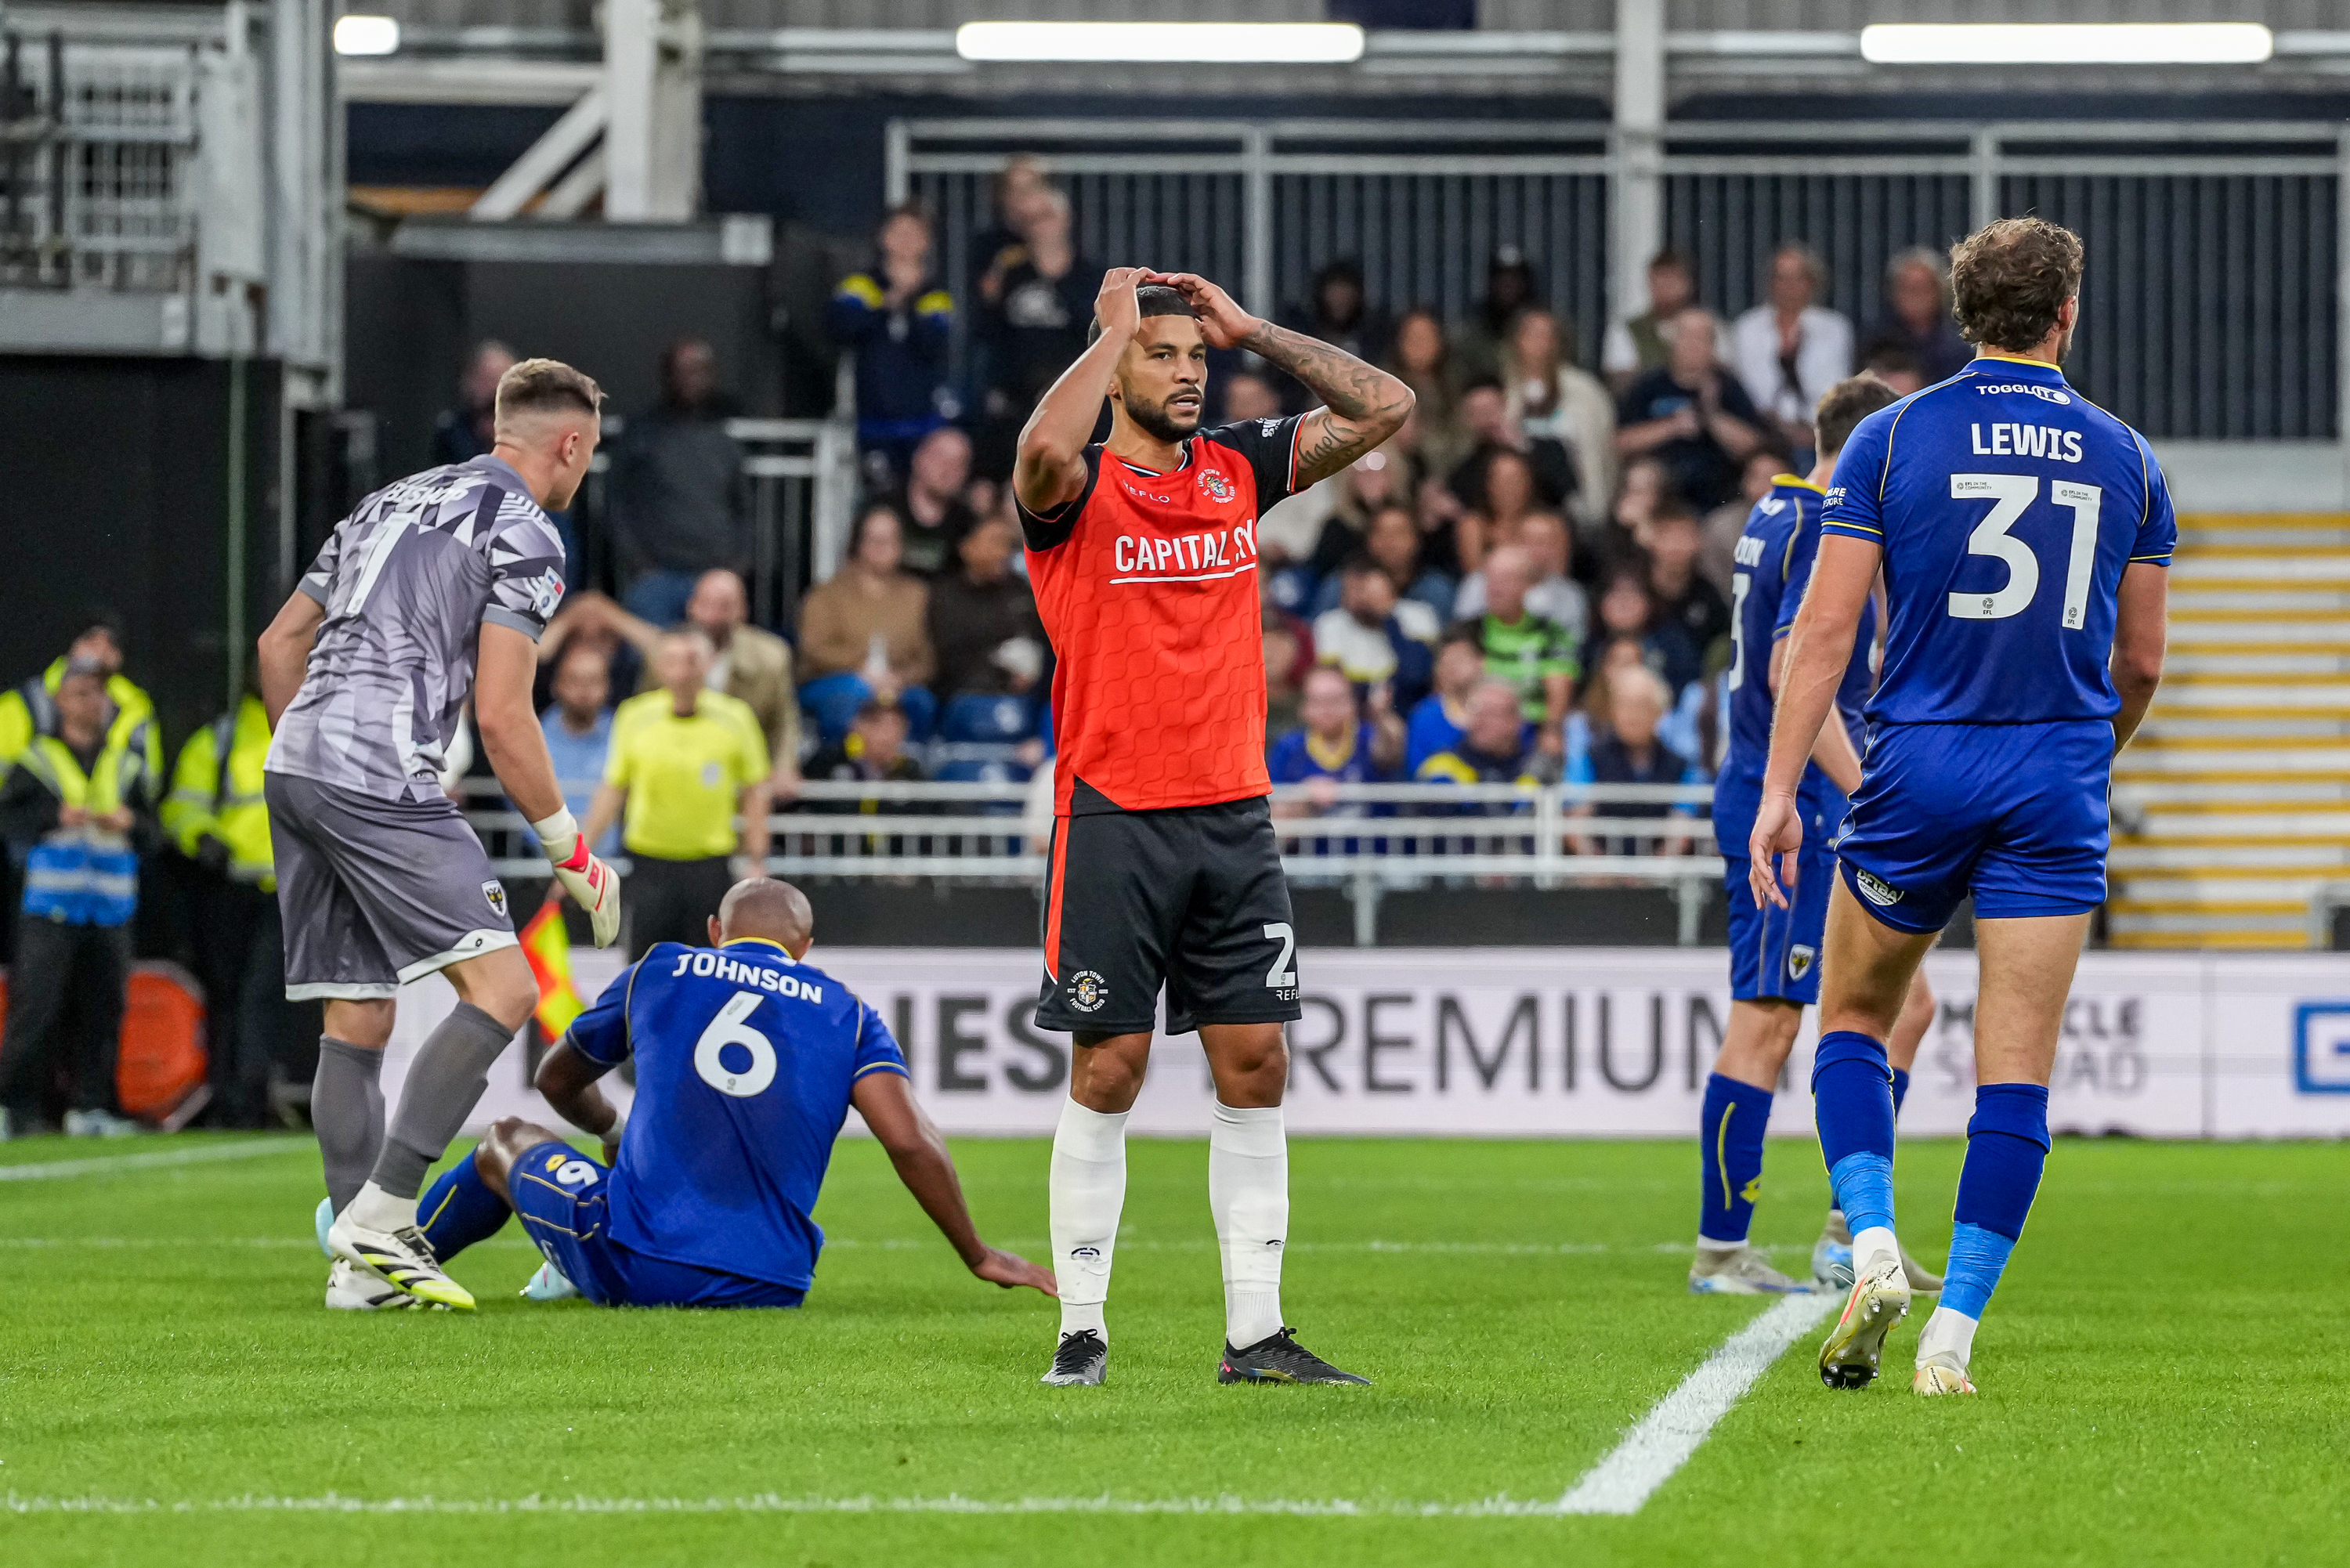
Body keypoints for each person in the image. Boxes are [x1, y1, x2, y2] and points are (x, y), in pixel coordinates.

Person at [1754, 217, 2173, 1396]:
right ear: (2067, 315)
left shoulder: (1889, 439)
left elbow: (1826, 632)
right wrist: (2090, 762)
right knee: (2016, 1071)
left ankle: (1875, 1245)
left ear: (1958, 311)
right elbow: (2141, 664)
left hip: (1920, 766)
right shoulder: (2131, 458)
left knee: (1851, 1015)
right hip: (2054, 775)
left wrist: (1782, 792)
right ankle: (1957, 1333)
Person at [1013, 266, 1411, 1387]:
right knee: (1110, 1071)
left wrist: (1255, 330)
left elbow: (1386, 407)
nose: (1189, 374)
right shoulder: (1075, 487)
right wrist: (1107, 332)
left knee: (1257, 1062)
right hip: (1114, 815)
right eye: (1164, 355)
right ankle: (1081, 1328)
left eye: (1197, 357)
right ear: (1116, 367)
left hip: (1234, 814)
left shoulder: (1238, 467)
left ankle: (1255, 1335)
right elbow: (1040, 449)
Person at [256, 356, 621, 1313]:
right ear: (569, 444)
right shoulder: (528, 532)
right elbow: (503, 716)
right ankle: (383, 1215)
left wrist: (313, 761)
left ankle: (356, 1273)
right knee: (503, 990)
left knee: (357, 1011)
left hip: (294, 764)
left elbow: (276, 645)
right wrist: (571, 853)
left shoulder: (387, 500)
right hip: (380, 773)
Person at [412, 877, 1055, 1310]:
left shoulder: (661, 969)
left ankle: (390, 1257)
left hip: (645, 1263)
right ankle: (569, 1259)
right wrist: (979, 1253)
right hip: (775, 1281)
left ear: (716, 929)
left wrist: (610, 1131)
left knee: (503, 1140)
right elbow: (911, 1142)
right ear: (805, 949)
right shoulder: (849, 1012)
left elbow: (557, 1078)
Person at [1698, 374, 1942, 1297]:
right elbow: (1787, 662)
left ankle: (1850, 1233)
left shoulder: (1775, 511)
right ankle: (1722, 1251)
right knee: (1767, 1019)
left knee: (1906, 1009)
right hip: (1789, 807)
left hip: (1804, 801)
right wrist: (1869, 786)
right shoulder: (1820, 524)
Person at [0, 658, 157, 1140]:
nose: (95, 703)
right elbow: (9, 826)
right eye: (84, 693)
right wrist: (53, 817)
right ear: (60, 701)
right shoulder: (34, 760)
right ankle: (12, 1106)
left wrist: (132, 824)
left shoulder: (126, 763)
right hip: (51, 905)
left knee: (104, 1009)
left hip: (109, 908)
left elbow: (156, 834)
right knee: (37, 1007)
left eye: (101, 695)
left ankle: (91, 1107)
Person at [164, 674, 319, 1129]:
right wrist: (202, 837)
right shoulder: (222, 739)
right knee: (228, 996)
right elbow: (180, 806)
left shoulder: (311, 732)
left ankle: (249, 1097)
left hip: (286, 889)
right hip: (227, 887)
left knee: (260, 995)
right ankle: (226, 1096)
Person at [584, 626, 772, 956]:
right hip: (649, 863)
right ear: (659, 666)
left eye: (692, 659)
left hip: (710, 864)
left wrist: (756, 859)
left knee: (710, 966)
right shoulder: (634, 716)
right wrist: (580, 856)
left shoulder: (736, 717)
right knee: (648, 966)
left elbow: (755, 790)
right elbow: (613, 788)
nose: (683, 670)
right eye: (673, 659)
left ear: (709, 663)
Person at [606, 338, 749, 630]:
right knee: (648, 663)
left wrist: (737, 566)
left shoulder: (724, 438)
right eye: (683, 370)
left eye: (699, 370)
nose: (691, 379)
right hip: (657, 576)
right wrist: (638, 563)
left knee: (716, 667)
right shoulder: (641, 433)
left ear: (712, 375)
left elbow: (743, 506)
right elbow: (615, 502)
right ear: (667, 376)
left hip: (715, 575)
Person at [829, 202, 956, 485]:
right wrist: (888, 302)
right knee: (879, 494)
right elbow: (841, 328)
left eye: (915, 233)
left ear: (926, 242)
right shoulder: (860, 286)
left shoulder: (935, 295)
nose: (905, 240)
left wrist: (909, 303)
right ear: (882, 237)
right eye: (898, 231)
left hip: (922, 425)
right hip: (873, 422)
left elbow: (932, 344)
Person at [977, 187, 1094, 479]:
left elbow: (1093, 332)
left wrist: (1054, 278)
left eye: (1046, 216)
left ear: (1066, 220)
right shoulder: (1010, 276)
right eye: (1030, 220)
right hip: (1019, 406)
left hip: (1078, 407)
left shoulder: (1089, 276)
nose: (1039, 226)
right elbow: (993, 338)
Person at [796, 505, 936, 744]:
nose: (883, 548)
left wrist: (899, 679)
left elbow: (927, 659)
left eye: (890, 540)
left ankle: (906, 769)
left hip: (898, 684)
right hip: (836, 682)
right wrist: (861, 670)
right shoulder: (826, 594)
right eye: (876, 540)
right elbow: (815, 650)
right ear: (858, 543)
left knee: (921, 702)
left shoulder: (917, 595)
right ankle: (845, 764)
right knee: (853, 693)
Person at [1617, 305, 1766, 511]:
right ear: (1671, 342)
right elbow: (1623, 442)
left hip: (1720, 492)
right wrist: (1672, 427)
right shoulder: (1648, 386)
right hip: (1662, 489)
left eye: (1701, 338)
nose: (1693, 345)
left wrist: (1713, 416)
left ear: (1713, 345)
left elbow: (1752, 446)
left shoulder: (1728, 386)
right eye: (1685, 337)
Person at [1729, 243, 1855, 460]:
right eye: (1781, 278)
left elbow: (1834, 388)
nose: (1789, 286)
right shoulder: (1747, 328)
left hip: (1817, 435)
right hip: (1759, 436)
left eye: (1798, 278)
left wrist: (1807, 430)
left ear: (1812, 283)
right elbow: (1746, 388)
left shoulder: (1834, 328)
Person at [0, 611, 161, 777]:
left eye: (111, 644)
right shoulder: (25, 704)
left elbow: (148, 785)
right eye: (91, 640)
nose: (100, 652)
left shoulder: (135, 709)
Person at [1567, 663, 1701, 857]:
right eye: (1624, 705)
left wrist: (1653, 873)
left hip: (1659, 877)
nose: (1632, 715)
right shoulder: (1589, 757)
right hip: (1600, 875)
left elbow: (1682, 825)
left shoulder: (1679, 764)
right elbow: (1576, 824)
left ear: (1659, 711)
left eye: (1641, 706)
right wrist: (1601, 868)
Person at [1267, 666, 1402, 854]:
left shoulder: (1369, 737)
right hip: (1307, 865)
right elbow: (1274, 812)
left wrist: (1381, 716)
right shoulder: (1288, 748)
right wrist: (1304, 794)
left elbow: (1392, 749)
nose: (1327, 709)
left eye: (1336, 700)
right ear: (1304, 708)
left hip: (1369, 861)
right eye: (1318, 701)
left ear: (1352, 704)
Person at [1504, 307, 1617, 528]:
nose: (1539, 344)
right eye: (1532, 335)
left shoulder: (1586, 390)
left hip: (1576, 506)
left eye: (1547, 336)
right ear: (1517, 341)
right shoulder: (1503, 389)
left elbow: (1604, 449)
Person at [1467, 544, 1577, 755]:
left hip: (1533, 732)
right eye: (1490, 579)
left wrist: (1552, 730)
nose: (1495, 587)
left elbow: (1559, 685)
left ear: (1527, 586)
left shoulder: (1550, 632)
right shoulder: (1470, 632)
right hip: (1477, 729)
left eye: (1506, 579)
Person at [927, 512, 1045, 702]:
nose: (1003, 552)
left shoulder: (1021, 592)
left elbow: (1040, 643)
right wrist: (1003, 677)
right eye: (994, 542)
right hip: (966, 696)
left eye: (1008, 544)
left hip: (1028, 694)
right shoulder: (946, 596)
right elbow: (951, 661)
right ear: (966, 547)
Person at [1311, 555, 1435, 711]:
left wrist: (1387, 617)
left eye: (1366, 589)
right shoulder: (1330, 624)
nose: (1362, 598)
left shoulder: (1418, 615)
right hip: (1354, 716)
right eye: (1352, 590)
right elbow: (1332, 686)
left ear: (1389, 589)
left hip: (1409, 711)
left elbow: (1416, 674)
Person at [535, 641, 620, 858]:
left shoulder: (623, 735)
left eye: (593, 681)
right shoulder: (534, 737)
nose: (583, 690)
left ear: (608, 686)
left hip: (614, 864)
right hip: (542, 865)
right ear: (557, 685)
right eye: (574, 680)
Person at [1452, 511, 1585, 645]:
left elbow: (1570, 647)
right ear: (1514, 541)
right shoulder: (1478, 583)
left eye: (1544, 542)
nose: (1535, 549)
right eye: (1528, 540)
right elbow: (1464, 637)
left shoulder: (1570, 595)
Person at [1601, 248, 1719, 392]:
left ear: (1688, 284)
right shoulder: (1626, 330)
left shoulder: (1709, 325)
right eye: (1659, 281)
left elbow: (1723, 375)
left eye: (1671, 281)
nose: (1664, 289)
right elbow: (1621, 383)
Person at [1276, 259, 1389, 408]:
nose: (1339, 298)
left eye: (1345, 290)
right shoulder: (1300, 335)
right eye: (1334, 290)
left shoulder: (1376, 335)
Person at [1414, 677, 1552, 790]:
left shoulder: (1539, 770)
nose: (1481, 722)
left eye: (1492, 714)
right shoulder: (1442, 767)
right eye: (1476, 712)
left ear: (1516, 721)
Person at [1860, 247, 1971, 386]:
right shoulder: (1875, 341)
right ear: (1893, 292)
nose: (1915, 297)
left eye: (1922, 288)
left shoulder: (1960, 342)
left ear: (1939, 291)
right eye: (1907, 288)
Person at [886, 425, 981, 580]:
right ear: (918, 458)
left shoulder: (969, 525)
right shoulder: (884, 509)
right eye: (940, 457)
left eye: (959, 463)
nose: (948, 469)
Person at [1405, 626, 1485, 776]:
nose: (1452, 667)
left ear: (1481, 662)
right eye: (1445, 661)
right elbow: (1416, 774)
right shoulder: (1424, 716)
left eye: (1459, 659)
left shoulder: (1499, 708)